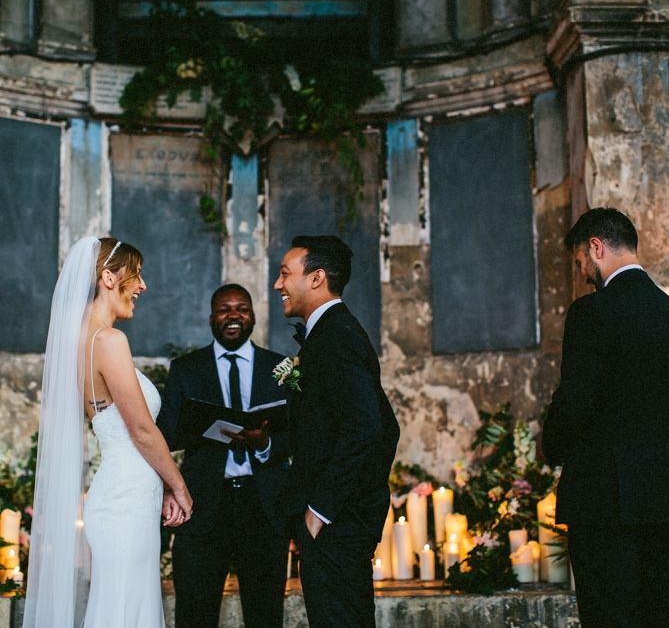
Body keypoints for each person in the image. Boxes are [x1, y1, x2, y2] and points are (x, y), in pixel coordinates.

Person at [23, 237, 192, 628]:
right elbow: (142, 431)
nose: (143, 287)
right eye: (136, 275)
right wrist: (179, 486)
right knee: (123, 611)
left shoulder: (79, 341)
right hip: (126, 503)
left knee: (122, 608)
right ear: (108, 278)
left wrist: (162, 484)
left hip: (122, 496)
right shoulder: (109, 341)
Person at [542, 208, 669, 627]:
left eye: (580, 264)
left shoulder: (591, 314)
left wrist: (549, 447)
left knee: (609, 617)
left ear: (596, 247)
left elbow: (575, 403)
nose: (583, 274)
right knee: (663, 616)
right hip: (665, 496)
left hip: (606, 502)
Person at [273, 235, 400, 628]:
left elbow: (368, 427)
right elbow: (380, 424)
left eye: (284, 274)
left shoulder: (336, 336)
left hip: (337, 522)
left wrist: (319, 511)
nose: (278, 285)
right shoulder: (328, 334)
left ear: (317, 278)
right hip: (337, 521)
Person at [156, 284, 290, 628]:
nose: (233, 315)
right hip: (203, 506)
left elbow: (297, 435)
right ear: (212, 318)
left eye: (242, 309)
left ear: (253, 317)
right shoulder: (186, 368)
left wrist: (264, 443)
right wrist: (199, 426)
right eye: (225, 309)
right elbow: (165, 434)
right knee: (195, 613)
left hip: (263, 507)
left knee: (265, 614)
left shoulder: (281, 368)